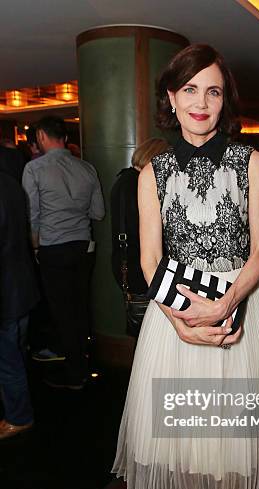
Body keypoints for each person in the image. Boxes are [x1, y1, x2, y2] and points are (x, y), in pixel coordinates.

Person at [113, 44, 259, 489]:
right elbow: (149, 260)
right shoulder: (153, 173)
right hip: (176, 320)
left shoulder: (252, 162)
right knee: (188, 431)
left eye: (212, 90)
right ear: (171, 97)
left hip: (238, 311)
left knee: (228, 433)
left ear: (224, 101)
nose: (200, 101)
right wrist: (178, 320)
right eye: (189, 89)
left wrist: (227, 303)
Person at [22, 115, 105, 390]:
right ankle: (81, 363)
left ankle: (74, 374)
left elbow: (32, 214)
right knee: (80, 306)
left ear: (42, 137)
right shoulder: (87, 168)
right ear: (65, 138)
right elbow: (98, 213)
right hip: (83, 246)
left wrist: (34, 245)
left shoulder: (34, 170)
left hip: (53, 247)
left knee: (62, 311)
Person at [110, 138, 170, 336]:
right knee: (151, 332)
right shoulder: (139, 185)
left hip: (128, 264)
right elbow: (143, 232)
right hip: (140, 268)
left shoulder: (123, 180)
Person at [0, 170, 39, 440]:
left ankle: (19, 416)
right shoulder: (8, 180)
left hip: (5, 290)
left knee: (8, 360)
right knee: (15, 352)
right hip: (19, 283)